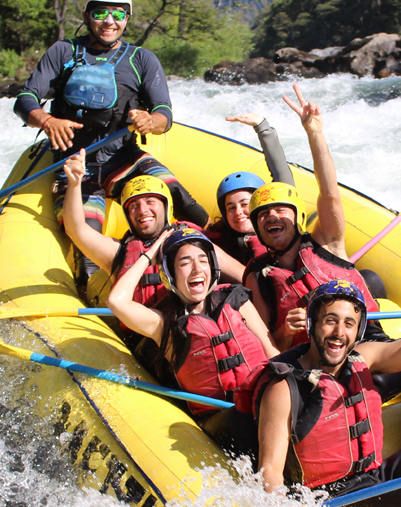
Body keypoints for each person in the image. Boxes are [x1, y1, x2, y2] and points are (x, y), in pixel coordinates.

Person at [14, 0, 208, 281]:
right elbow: (25, 99)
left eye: (118, 14)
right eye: (100, 13)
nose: (109, 21)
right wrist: (47, 121)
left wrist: (150, 121)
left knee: (178, 196)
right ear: (86, 16)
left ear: (127, 19)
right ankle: (97, 306)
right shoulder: (62, 52)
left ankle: (214, 249)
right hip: (77, 166)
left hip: (124, 159)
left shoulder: (142, 59)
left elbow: (164, 114)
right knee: (88, 248)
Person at [250, 279, 401, 507]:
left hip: (373, 476)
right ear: (312, 325)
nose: (339, 333)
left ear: (358, 330)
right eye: (330, 321)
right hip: (329, 499)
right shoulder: (283, 388)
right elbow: (270, 471)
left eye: (349, 324)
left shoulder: (363, 356)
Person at [108, 224, 278, 457]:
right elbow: (117, 302)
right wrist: (152, 252)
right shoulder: (163, 325)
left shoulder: (235, 299)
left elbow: (273, 353)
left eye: (203, 260)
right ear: (170, 274)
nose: (197, 269)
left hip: (265, 404)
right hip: (225, 421)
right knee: (245, 418)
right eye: (185, 263)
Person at [244, 85, 391, 353]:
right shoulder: (259, 277)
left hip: (367, 344)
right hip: (315, 360)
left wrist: (315, 134)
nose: (272, 216)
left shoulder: (327, 242)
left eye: (280, 210)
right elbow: (269, 347)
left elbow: (330, 193)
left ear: (297, 216)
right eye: (263, 214)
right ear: (258, 229)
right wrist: (286, 331)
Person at [62, 152, 245, 309]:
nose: (142, 210)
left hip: (200, 327)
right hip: (151, 338)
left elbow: (244, 276)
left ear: (166, 208)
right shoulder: (117, 252)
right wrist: (74, 184)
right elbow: (76, 229)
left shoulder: (194, 241)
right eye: (134, 205)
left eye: (150, 202)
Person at [204, 113, 296, 265]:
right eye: (231, 207)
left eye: (244, 204)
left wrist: (262, 127)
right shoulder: (219, 241)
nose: (238, 212)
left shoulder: (281, 231)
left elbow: (283, 180)